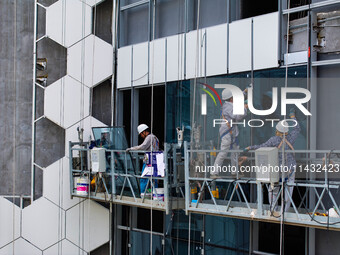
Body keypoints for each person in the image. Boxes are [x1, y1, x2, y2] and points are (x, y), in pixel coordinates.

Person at [244, 111, 300, 213]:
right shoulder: (291, 138)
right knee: (289, 189)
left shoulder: (274, 140)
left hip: (279, 169)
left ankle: (274, 209)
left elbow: (262, 147)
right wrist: (293, 117)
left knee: (273, 189)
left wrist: (250, 148)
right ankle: (285, 211)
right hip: (291, 168)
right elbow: (297, 128)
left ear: (277, 130)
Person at [211, 88, 248, 178]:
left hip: (231, 133)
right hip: (228, 133)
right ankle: (214, 172)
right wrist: (244, 108)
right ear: (231, 98)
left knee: (235, 152)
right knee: (224, 152)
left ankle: (234, 172)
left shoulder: (229, 104)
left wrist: (244, 92)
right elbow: (237, 116)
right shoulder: (228, 107)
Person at [126, 124, 160, 196]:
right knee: (153, 179)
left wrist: (131, 148)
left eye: (141, 134)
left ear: (143, 132)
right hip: (155, 161)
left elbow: (143, 147)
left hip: (149, 161)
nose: (141, 136)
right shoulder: (155, 138)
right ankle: (154, 193)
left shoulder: (149, 137)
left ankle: (143, 194)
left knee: (144, 178)